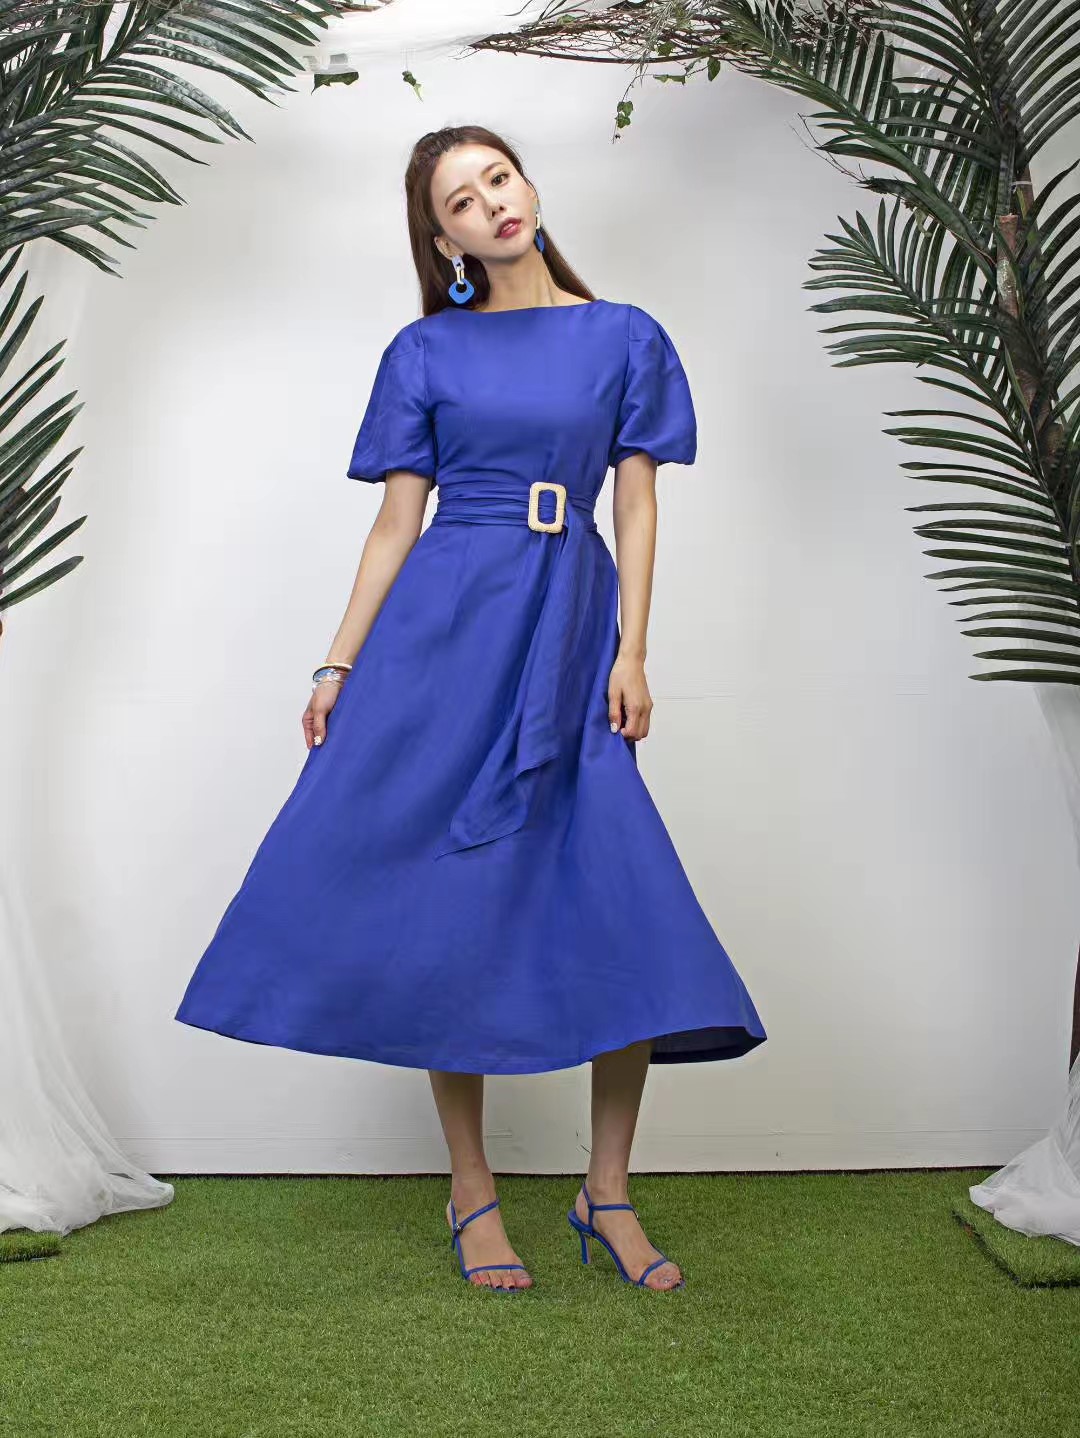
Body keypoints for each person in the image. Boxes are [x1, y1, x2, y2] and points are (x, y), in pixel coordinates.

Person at [175, 124, 767, 1295]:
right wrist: (337, 665)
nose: (491, 201)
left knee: (620, 894)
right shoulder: (425, 351)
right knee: (454, 901)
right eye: (461, 199)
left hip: (571, 627)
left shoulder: (625, 336)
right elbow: (396, 523)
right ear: (443, 239)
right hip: (448, 629)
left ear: (528, 185)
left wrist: (634, 649)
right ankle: (473, 1188)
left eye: (499, 176)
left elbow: (637, 506)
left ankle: (607, 1192)